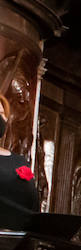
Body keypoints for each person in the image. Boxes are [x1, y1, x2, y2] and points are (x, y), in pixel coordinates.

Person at [0, 95, 39, 229]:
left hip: (18, 238)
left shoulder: (19, 161)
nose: (3, 119)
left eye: (3, 114)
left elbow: (33, 202)